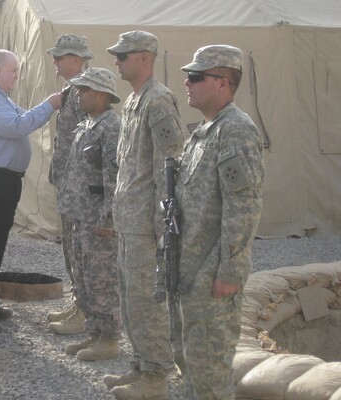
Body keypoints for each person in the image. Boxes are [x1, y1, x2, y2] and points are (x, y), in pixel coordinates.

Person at [177, 45, 264, 400]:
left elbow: (243, 206)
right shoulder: (204, 132)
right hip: (192, 269)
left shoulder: (236, 131)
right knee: (192, 364)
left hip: (212, 272)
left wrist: (229, 271)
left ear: (223, 83)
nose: (187, 82)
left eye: (196, 77)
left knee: (211, 372)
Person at [103, 31, 185, 400]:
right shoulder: (134, 101)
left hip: (146, 227)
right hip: (128, 221)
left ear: (145, 57)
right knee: (129, 299)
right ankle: (139, 366)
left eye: (124, 54)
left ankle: (155, 377)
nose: (117, 60)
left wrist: (160, 228)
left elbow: (169, 168)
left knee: (147, 302)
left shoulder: (159, 101)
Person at [0, 50, 63, 333]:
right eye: (13, 70)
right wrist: (50, 104)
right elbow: (19, 125)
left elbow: (20, 117)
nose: (17, 76)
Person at [57, 67, 122, 361]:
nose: (78, 95)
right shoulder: (88, 124)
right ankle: (94, 334)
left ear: (101, 94)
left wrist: (108, 219)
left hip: (97, 221)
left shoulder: (111, 127)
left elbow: (115, 178)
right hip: (79, 216)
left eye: (84, 91)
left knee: (102, 281)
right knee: (84, 278)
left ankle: (108, 339)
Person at [45, 34, 94, 335]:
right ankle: (78, 304)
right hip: (68, 182)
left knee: (80, 249)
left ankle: (85, 312)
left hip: (79, 186)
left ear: (76, 60)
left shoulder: (86, 92)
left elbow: (91, 141)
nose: (55, 61)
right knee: (70, 247)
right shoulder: (72, 89)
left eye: (60, 57)